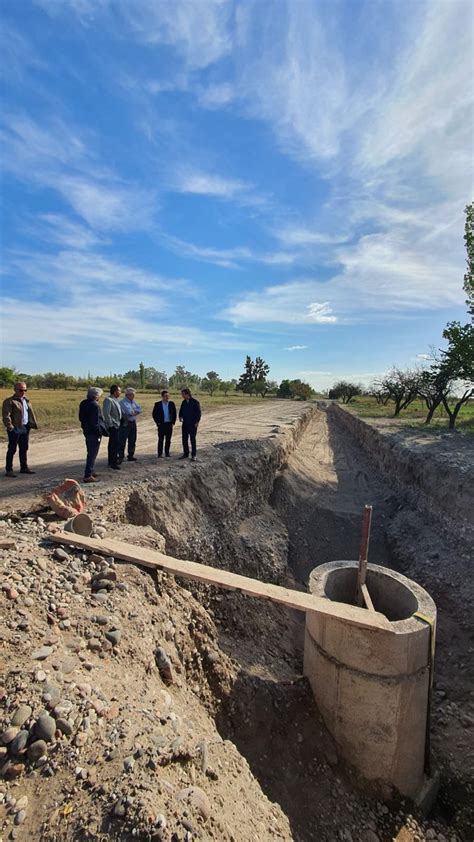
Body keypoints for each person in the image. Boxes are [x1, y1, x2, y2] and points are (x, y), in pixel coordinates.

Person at [2, 381, 38, 477]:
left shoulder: (26, 400)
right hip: (15, 428)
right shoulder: (9, 401)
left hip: (25, 427)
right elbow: (6, 416)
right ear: (15, 390)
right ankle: (9, 470)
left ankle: (24, 467)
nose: (23, 392)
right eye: (21, 390)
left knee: (24, 448)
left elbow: (29, 413)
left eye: (25, 390)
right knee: (12, 449)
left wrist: (30, 424)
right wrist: (10, 427)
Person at [79, 386, 104, 483]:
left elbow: (81, 418)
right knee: (92, 453)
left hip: (86, 431)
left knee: (90, 451)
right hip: (94, 433)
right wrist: (100, 432)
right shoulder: (95, 405)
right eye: (99, 395)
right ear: (96, 396)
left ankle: (91, 470)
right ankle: (88, 475)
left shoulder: (83, 403)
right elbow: (95, 422)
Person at [118, 387, 142, 462]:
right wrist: (135, 412)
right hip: (125, 423)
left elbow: (140, 409)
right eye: (132, 395)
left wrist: (134, 412)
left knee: (132, 440)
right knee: (122, 440)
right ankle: (121, 456)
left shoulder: (133, 402)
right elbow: (129, 412)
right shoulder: (123, 402)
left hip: (133, 423)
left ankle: (130, 455)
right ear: (127, 395)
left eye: (133, 395)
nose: (133, 396)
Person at [178, 388, 201, 461]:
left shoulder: (195, 402)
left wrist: (197, 422)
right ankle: (186, 454)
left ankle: (194, 455)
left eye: (183, 394)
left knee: (192, 439)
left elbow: (198, 413)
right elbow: (181, 410)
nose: (182, 396)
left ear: (187, 394)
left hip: (193, 424)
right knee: (184, 439)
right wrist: (180, 416)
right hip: (185, 423)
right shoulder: (184, 402)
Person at [152, 389, 177, 458]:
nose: (167, 397)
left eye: (168, 396)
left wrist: (173, 422)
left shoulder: (171, 404)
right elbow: (154, 414)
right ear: (162, 396)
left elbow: (174, 413)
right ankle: (160, 454)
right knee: (161, 439)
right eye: (166, 396)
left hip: (169, 424)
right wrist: (158, 422)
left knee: (168, 439)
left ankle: (167, 453)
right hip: (161, 424)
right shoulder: (158, 404)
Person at [103, 384, 122, 470]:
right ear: (115, 391)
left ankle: (112, 461)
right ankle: (112, 462)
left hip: (117, 425)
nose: (120, 392)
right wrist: (111, 425)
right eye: (119, 391)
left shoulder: (116, 400)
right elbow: (106, 414)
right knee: (113, 444)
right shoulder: (108, 400)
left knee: (115, 443)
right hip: (113, 426)